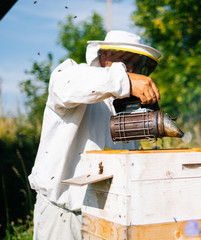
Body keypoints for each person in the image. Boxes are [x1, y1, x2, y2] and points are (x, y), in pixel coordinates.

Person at [28, 30, 161, 239]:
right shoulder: (73, 75)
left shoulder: (124, 106)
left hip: (107, 218)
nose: (132, 70)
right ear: (104, 57)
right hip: (64, 217)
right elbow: (68, 84)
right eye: (125, 61)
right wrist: (124, 80)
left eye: (138, 64)